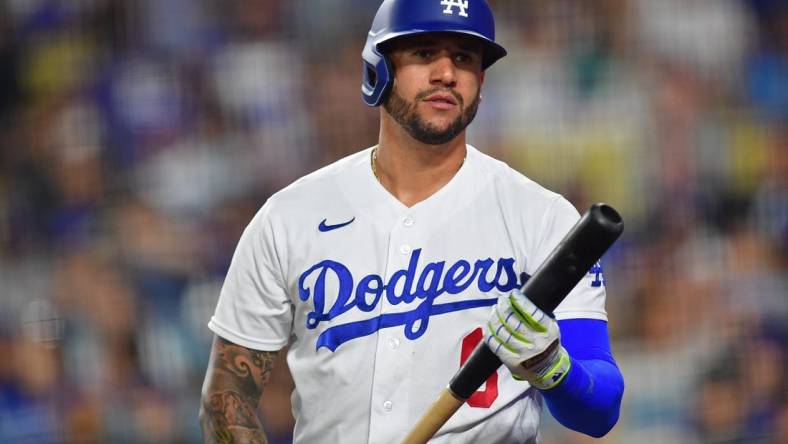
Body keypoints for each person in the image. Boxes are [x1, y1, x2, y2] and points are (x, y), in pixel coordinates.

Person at [199, 0, 624, 442]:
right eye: (424, 54)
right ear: (377, 69)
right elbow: (226, 399)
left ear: (481, 80)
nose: (446, 73)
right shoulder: (289, 217)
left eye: (464, 58)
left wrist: (552, 368)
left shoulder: (540, 216)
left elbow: (600, 411)